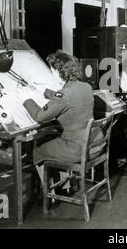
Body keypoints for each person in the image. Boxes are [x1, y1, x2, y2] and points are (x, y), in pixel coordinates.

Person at [16, 50, 101, 192]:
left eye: (52, 70)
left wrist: (26, 98)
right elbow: (66, 97)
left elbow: (39, 116)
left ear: (60, 72)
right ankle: (66, 186)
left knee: (38, 150)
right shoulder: (85, 87)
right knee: (52, 140)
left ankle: (51, 194)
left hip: (78, 149)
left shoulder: (64, 95)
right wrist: (43, 91)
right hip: (95, 143)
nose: (51, 73)